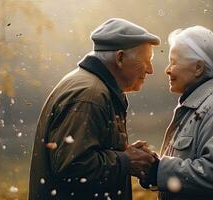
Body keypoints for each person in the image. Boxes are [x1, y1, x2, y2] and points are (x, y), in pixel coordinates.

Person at [28, 18, 160, 200]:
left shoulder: (92, 88)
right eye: (146, 61)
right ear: (120, 58)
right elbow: (73, 167)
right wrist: (126, 161)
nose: (150, 70)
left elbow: (83, 154)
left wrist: (123, 153)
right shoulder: (89, 96)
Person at [140, 26, 213, 200]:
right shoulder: (199, 108)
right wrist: (151, 165)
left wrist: (156, 170)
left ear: (198, 68)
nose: (167, 69)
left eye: (174, 62)